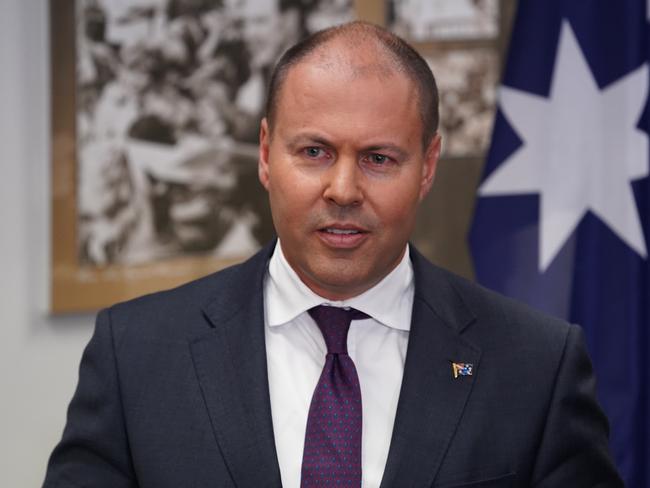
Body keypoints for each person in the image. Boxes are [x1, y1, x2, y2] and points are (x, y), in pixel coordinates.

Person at [43, 21, 623, 487]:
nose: (343, 190)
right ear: (267, 155)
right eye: (315, 151)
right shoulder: (136, 355)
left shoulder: (535, 365)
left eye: (379, 159)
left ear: (427, 167)